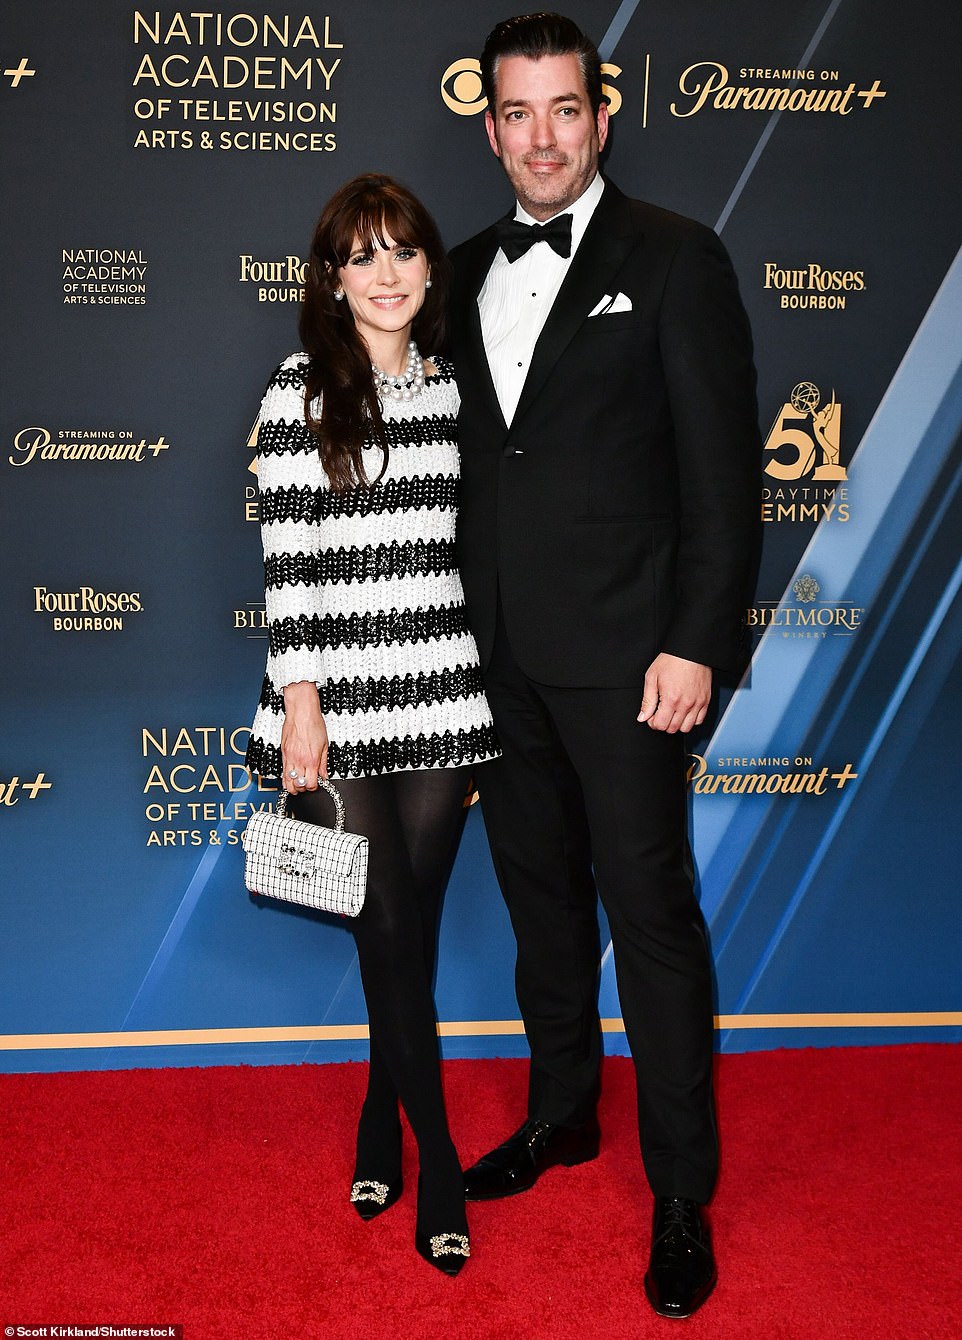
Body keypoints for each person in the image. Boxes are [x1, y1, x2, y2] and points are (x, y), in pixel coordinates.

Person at [448, 14, 761, 1319]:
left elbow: (722, 476)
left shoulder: (677, 259)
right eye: (516, 114)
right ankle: (563, 1117)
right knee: (539, 911)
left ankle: (680, 1189)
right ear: (490, 125)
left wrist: (697, 642)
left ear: (602, 113)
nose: (540, 139)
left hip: (634, 660)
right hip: (495, 658)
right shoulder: (457, 269)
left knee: (650, 920)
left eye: (562, 110)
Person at [245, 173, 498, 1276]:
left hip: (439, 695)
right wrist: (301, 702)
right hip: (331, 707)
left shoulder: (452, 390)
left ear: (430, 269)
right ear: (332, 277)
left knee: (409, 931)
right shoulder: (298, 387)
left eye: (402, 252)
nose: (385, 273)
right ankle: (435, 1157)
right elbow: (286, 559)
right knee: (385, 925)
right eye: (362, 255)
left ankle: (372, 1113)